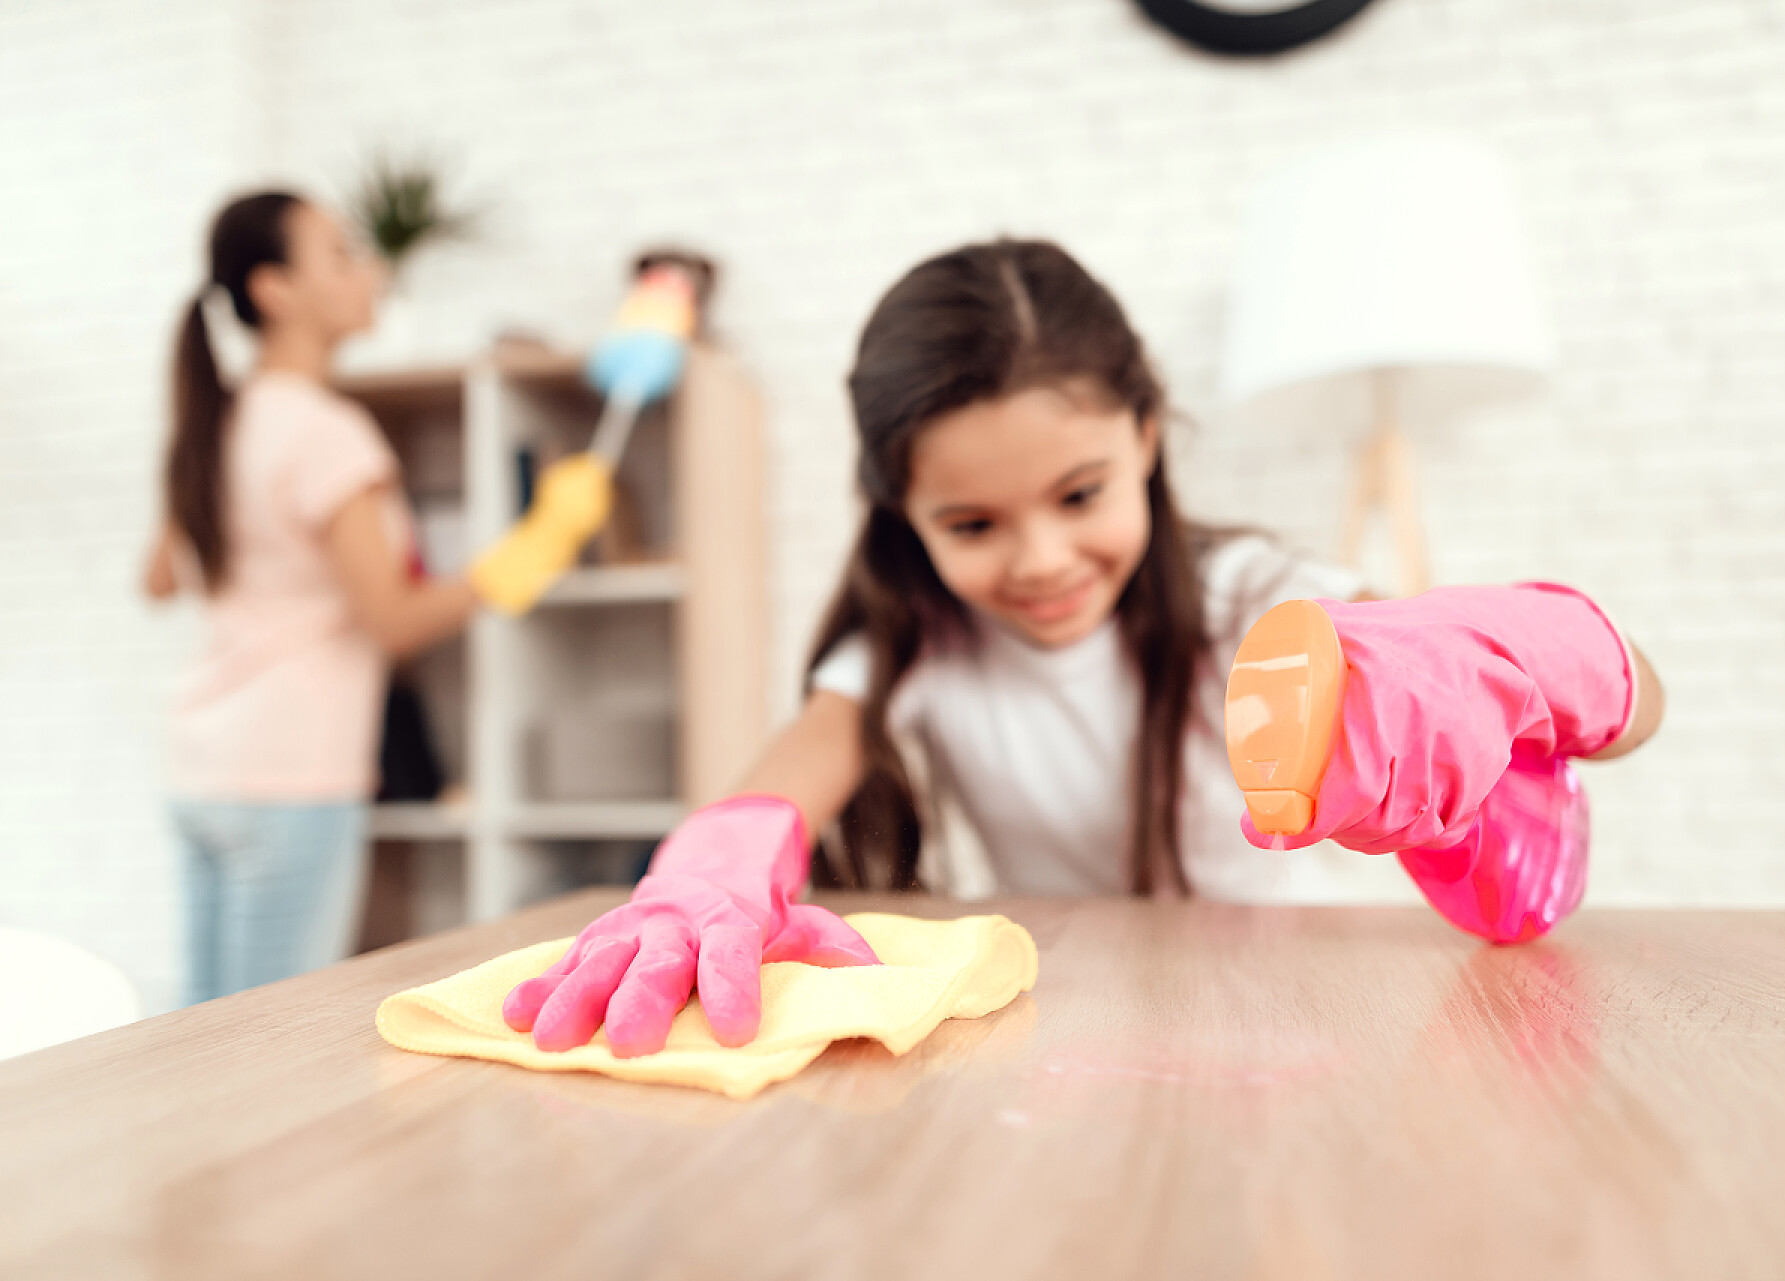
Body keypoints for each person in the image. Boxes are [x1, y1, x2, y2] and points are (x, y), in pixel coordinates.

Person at [501, 238, 1664, 1057]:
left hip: (1288, 1023)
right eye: (972, 524)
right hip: (1047, 1032)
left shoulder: (1250, 595)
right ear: (902, 516)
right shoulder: (918, 641)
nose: (1042, 557)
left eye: (1080, 493)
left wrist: (1520, 651)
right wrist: (709, 869)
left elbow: (1634, 710)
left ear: (1146, 437)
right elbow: (803, 758)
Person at [145, 191, 608, 1004]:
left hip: (203, 764)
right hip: (291, 771)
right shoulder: (326, 433)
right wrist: (528, 553)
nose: (371, 271)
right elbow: (393, 620)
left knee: (204, 1030)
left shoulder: (213, 421)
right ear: (274, 291)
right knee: (267, 1035)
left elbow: (161, 577)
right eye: (340, 254)